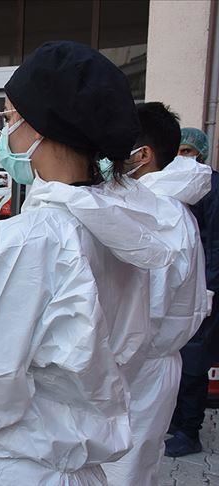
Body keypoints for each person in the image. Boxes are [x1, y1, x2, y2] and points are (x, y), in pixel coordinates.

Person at [0, 41, 181, 485]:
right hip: (78, 466)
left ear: (40, 126)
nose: (4, 132)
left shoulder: (20, 243)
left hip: (8, 466)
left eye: (7, 117)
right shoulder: (119, 232)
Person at [102, 103, 211, 484]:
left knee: (123, 470)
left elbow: (146, 311)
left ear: (143, 154)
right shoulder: (153, 206)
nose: (107, 158)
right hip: (138, 365)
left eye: (115, 147)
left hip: (137, 368)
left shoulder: (159, 216)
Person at [167, 127, 219, 457]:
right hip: (180, 287)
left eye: (187, 151)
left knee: (194, 361)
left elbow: (214, 244)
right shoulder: (176, 185)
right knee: (175, 354)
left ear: (201, 153)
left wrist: (209, 289)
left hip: (203, 290)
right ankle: (174, 420)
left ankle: (190, 430)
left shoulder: (211, 187)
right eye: (178, 151)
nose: (182, 158)